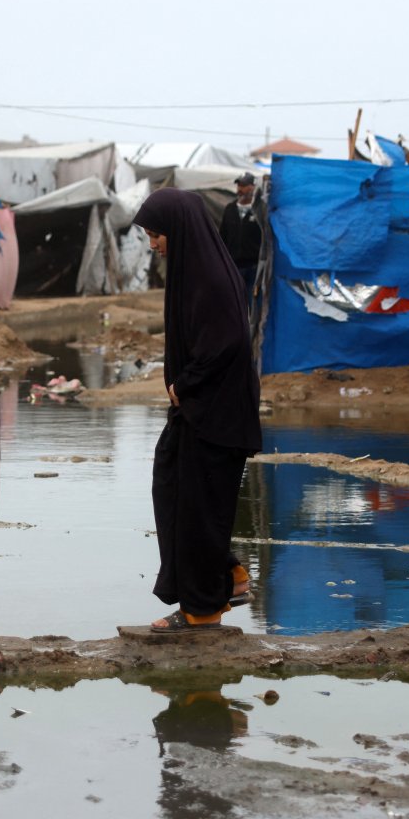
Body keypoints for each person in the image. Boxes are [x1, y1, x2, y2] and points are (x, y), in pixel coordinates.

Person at [136, 188, 262, 632]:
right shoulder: (195, 269)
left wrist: (183, 384)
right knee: (174, 488)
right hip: (199, 412)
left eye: (156, 234)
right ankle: (229, 575)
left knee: (196, 509)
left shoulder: (207, 276)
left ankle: (202, 609)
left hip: (216, 414)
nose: (153, 243)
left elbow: (227, 341)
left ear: (179, 230)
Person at [218, 172, 262, 307]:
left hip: (254, 267)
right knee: (235, 303)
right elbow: (222, 237)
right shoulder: (230, 209)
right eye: (238, 185)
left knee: (253, 302)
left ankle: (253, 328)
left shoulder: (259, 210)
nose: (240, 189)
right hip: (234, 266)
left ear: (252, 187)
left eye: (243, 186)